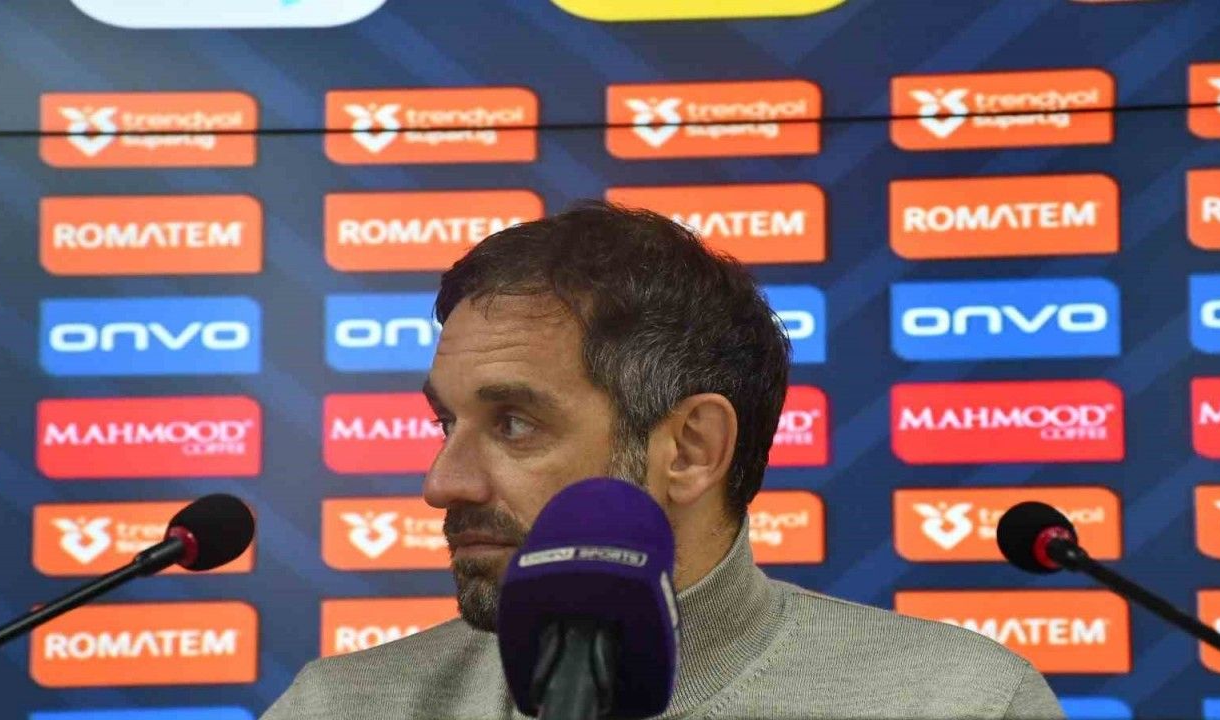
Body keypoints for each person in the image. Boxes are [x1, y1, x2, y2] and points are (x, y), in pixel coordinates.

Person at [261, 201, 1065, 720]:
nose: (443, 483)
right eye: (446, 422)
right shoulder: (340, 708)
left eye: (513, 423)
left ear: (691, 449)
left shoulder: (957, 703)